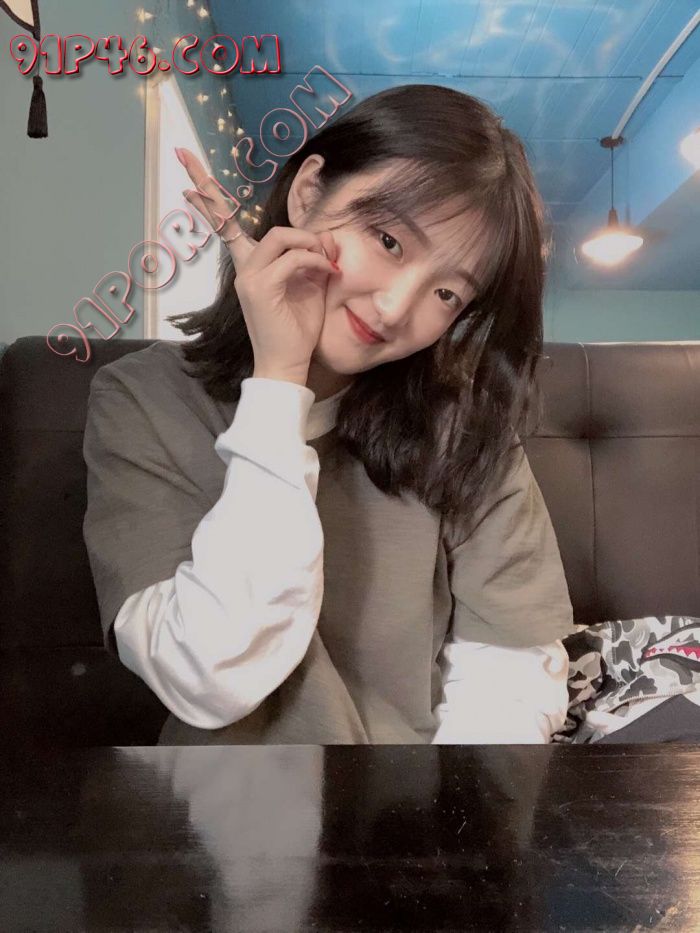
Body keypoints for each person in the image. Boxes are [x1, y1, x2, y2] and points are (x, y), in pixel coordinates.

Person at [82, 84, 577, 745]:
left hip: (418, 798)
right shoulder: (143, 397)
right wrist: (278, 382)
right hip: (223, 802)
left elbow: (510, 682)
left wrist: (443, 807)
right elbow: (207, 675)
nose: (396, 307)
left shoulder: (466, 431)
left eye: (447, 293)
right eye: (388, 240)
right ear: (309, 192)